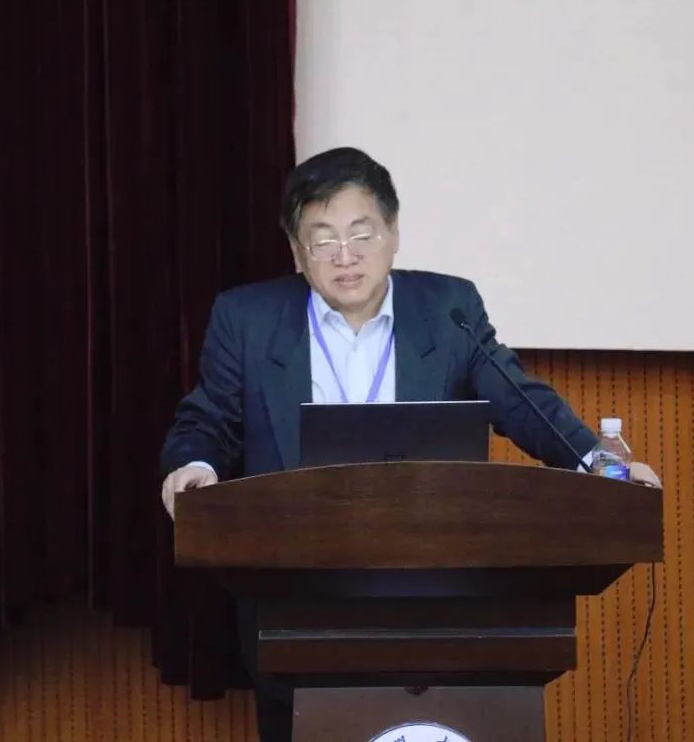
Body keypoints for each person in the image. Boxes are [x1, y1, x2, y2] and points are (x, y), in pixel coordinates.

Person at [159, 146, 660, 740]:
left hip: (436, 590)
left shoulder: (448, 309)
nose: (345, 256)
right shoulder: (247, 319)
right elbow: (208, 418)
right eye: (322, 239)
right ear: (296, 250)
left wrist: (597, 461)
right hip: (294, 591)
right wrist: (193, 464)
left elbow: (522, 403)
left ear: (393, 232)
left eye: (361, 233)